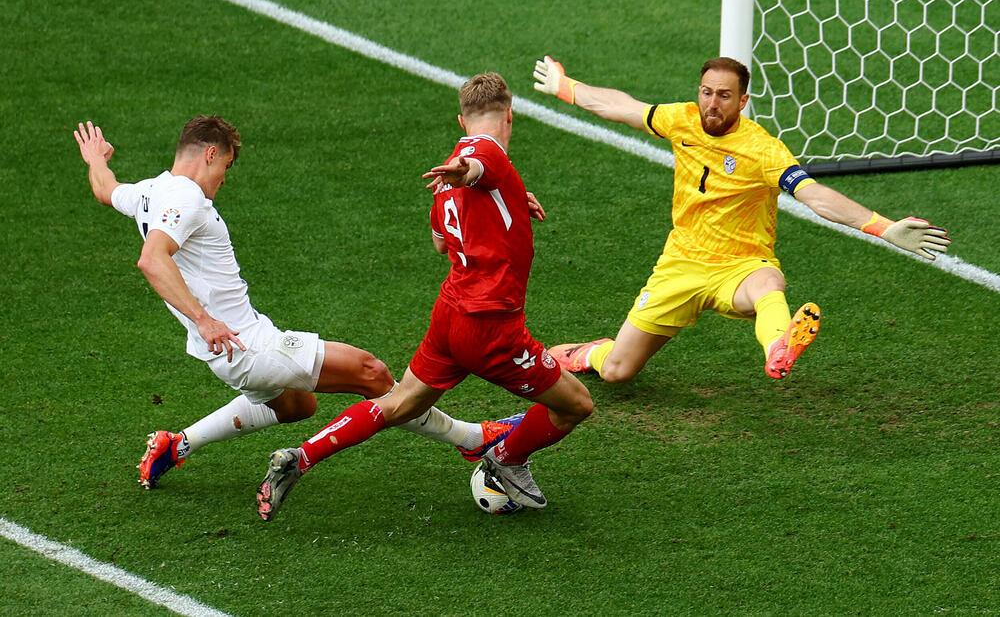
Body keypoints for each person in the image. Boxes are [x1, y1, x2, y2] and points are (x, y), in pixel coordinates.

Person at [73, 117, 520, 491]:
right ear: (209, 154)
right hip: (245, 344)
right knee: (372, 373)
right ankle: (474, 438)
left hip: (227, 350)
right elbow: (152, 259)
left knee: (297, 407)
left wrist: (96, 160)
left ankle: (177, 445)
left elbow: (105, 190)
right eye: (225, 166)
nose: (223, 179)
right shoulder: (186, 196)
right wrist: (204, 319)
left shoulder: (150, 191)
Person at [255, 72, 594, 521]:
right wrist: (473, 174)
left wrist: (509, 201)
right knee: (576, 404)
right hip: (492, 326)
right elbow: (479, 163)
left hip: (450, 316)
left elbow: (441, 242)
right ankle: (505, 459)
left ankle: (300, 457)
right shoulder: (482, 154)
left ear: (461, 118)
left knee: (398, 404)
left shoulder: (448, 178)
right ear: (510, 115)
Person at [531, 55, 950, 382]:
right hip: (681, 264)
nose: (712, 104)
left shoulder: (763, 150)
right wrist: (566, 87)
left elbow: (815, 196)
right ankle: (590, 353)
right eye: (706, 92)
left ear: (743, 101)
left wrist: (883, 227)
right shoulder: (682, 120)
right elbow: (621, 107)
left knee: (769, 283)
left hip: (741, 266)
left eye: (724, 96)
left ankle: (779, 348)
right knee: (617, 371)